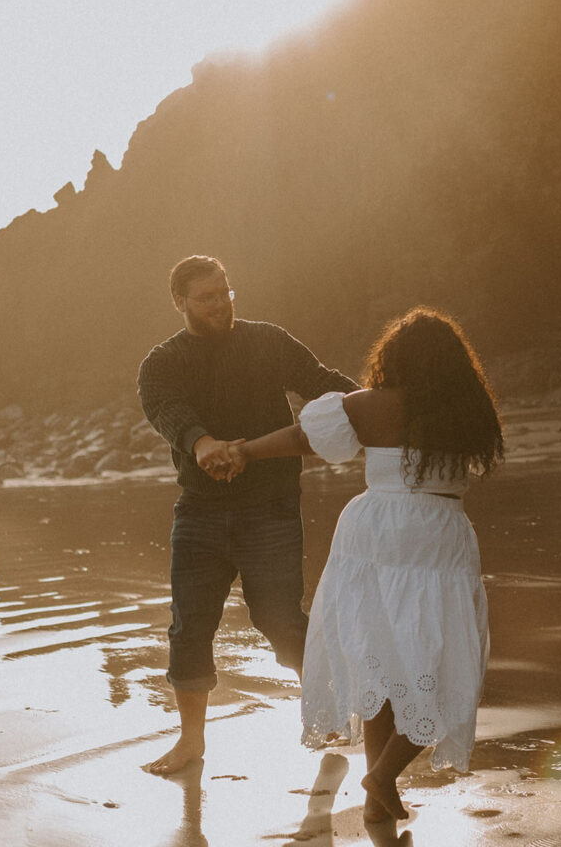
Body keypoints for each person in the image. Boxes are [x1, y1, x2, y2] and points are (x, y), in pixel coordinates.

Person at [222, 307, 504, 823]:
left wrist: (244, 451)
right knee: (443, 666)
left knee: (376, 662)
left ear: (392, 357)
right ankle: (380, 783)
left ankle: (379, 790)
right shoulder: (466, 408)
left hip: (372, 530)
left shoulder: (368, 406)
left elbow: (300, 440)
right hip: (436, 535)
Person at [137, 255, 358, 775]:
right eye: (206, 298)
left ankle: (327, 716)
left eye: (225, 293)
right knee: (190, 628)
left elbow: (322, 381)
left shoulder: (268, 341)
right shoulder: (161, 363)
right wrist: (205, 444)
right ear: (180, 303)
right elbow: (170, 414)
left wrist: (379, 400)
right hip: (199, 513)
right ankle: (191, 742)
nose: (220, 305)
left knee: (280, 619)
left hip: (271, 508)